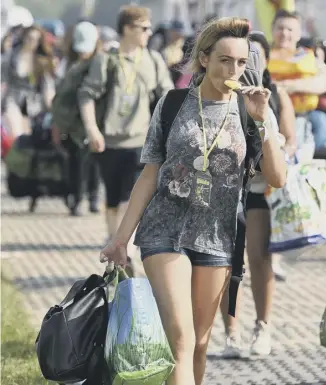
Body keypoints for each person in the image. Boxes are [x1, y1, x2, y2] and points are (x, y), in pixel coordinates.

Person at [100, 16, 287, 385]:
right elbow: (150, 174)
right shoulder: (172, 104)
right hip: (164, 231)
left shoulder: (253, 110)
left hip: (218, 237)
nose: (233, 69)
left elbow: (277, 178)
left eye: (241, 62)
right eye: (224, 60)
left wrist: (263, 121)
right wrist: (120, 238)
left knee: (199, 344)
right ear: (204, 59)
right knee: (181, 339)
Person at [218, 30, 297, 358]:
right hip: (225, 190)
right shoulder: (220, 96)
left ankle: (262, 326)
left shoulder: (273, 96)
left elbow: (289, 140)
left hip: (260, 188)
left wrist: (275, 148)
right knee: (227, 264)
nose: (248, 63)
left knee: (259, 259)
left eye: (253, 56)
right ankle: (230, 332)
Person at [78, 5, 173, 252]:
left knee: (129, 196)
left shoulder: (153, 60)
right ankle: (115, 239)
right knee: (111, 196)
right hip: (109, 140)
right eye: (144, 28)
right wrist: (92, 130)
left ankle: (124, 243)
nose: (149, 33)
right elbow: (86, 95)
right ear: (127, 29)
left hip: (142, 141)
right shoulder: (106, 59)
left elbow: (168, 97)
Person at [268, 10, 326, 160]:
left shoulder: (307, 56)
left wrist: (288, 86)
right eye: (280, 28)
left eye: (290, 29)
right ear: (272, 31)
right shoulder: (263, 56)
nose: (284, 33)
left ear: (298, 34)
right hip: (272, 118)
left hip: (303, 117)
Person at [52, 21, 102, 216]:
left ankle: (94, 197)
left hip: (95, 120)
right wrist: (58, 123)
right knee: (76, 161)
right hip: (72, 122)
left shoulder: (100, 62)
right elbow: (60, 96)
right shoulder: (67, 66)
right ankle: (77, 197)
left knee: (95, 161)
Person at [2, 25, 56, 137]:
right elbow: (2, 79)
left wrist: (52, 107)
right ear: (24, 37)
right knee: (17, 133)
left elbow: (48, 88)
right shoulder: (12, 55)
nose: (32, 42)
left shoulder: (41, 61)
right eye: (30, 38)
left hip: (31, 104)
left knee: (26, 137)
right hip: (12, 98)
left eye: (36, 40)